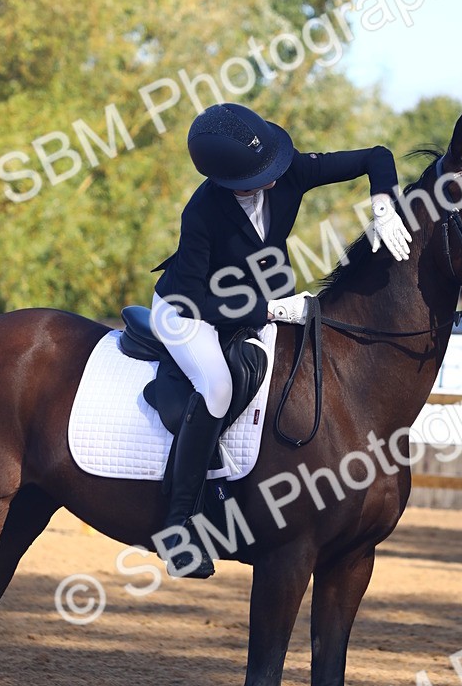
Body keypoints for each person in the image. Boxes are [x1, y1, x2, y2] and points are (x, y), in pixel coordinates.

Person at [150, 102, 412, 577]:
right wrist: (270, 309)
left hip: (252, 304)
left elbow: (376, 155)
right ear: (227, 181)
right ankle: (178, 528)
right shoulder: (203, 211)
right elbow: (192, 299)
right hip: (187, 313)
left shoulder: (286, 170)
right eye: (259, 175)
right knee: (218, 387)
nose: (273, 178)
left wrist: (384, 205)